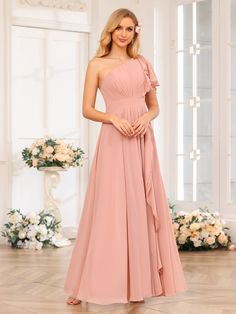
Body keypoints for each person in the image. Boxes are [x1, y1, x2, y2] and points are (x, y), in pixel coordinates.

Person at [64, 8, 187, 306]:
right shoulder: (96, 64)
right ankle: (83, 286)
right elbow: (87, 109)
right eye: (119, 28)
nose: (123, 33)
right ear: (110, 30)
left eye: (129, 28)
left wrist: (147, 119)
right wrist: (112, 119)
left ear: (135, 32)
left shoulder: (141, 63)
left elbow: (154, 106)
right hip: (114, 140)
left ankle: (136, 285)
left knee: (139, 208)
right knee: (107, 208)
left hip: (141, 140)